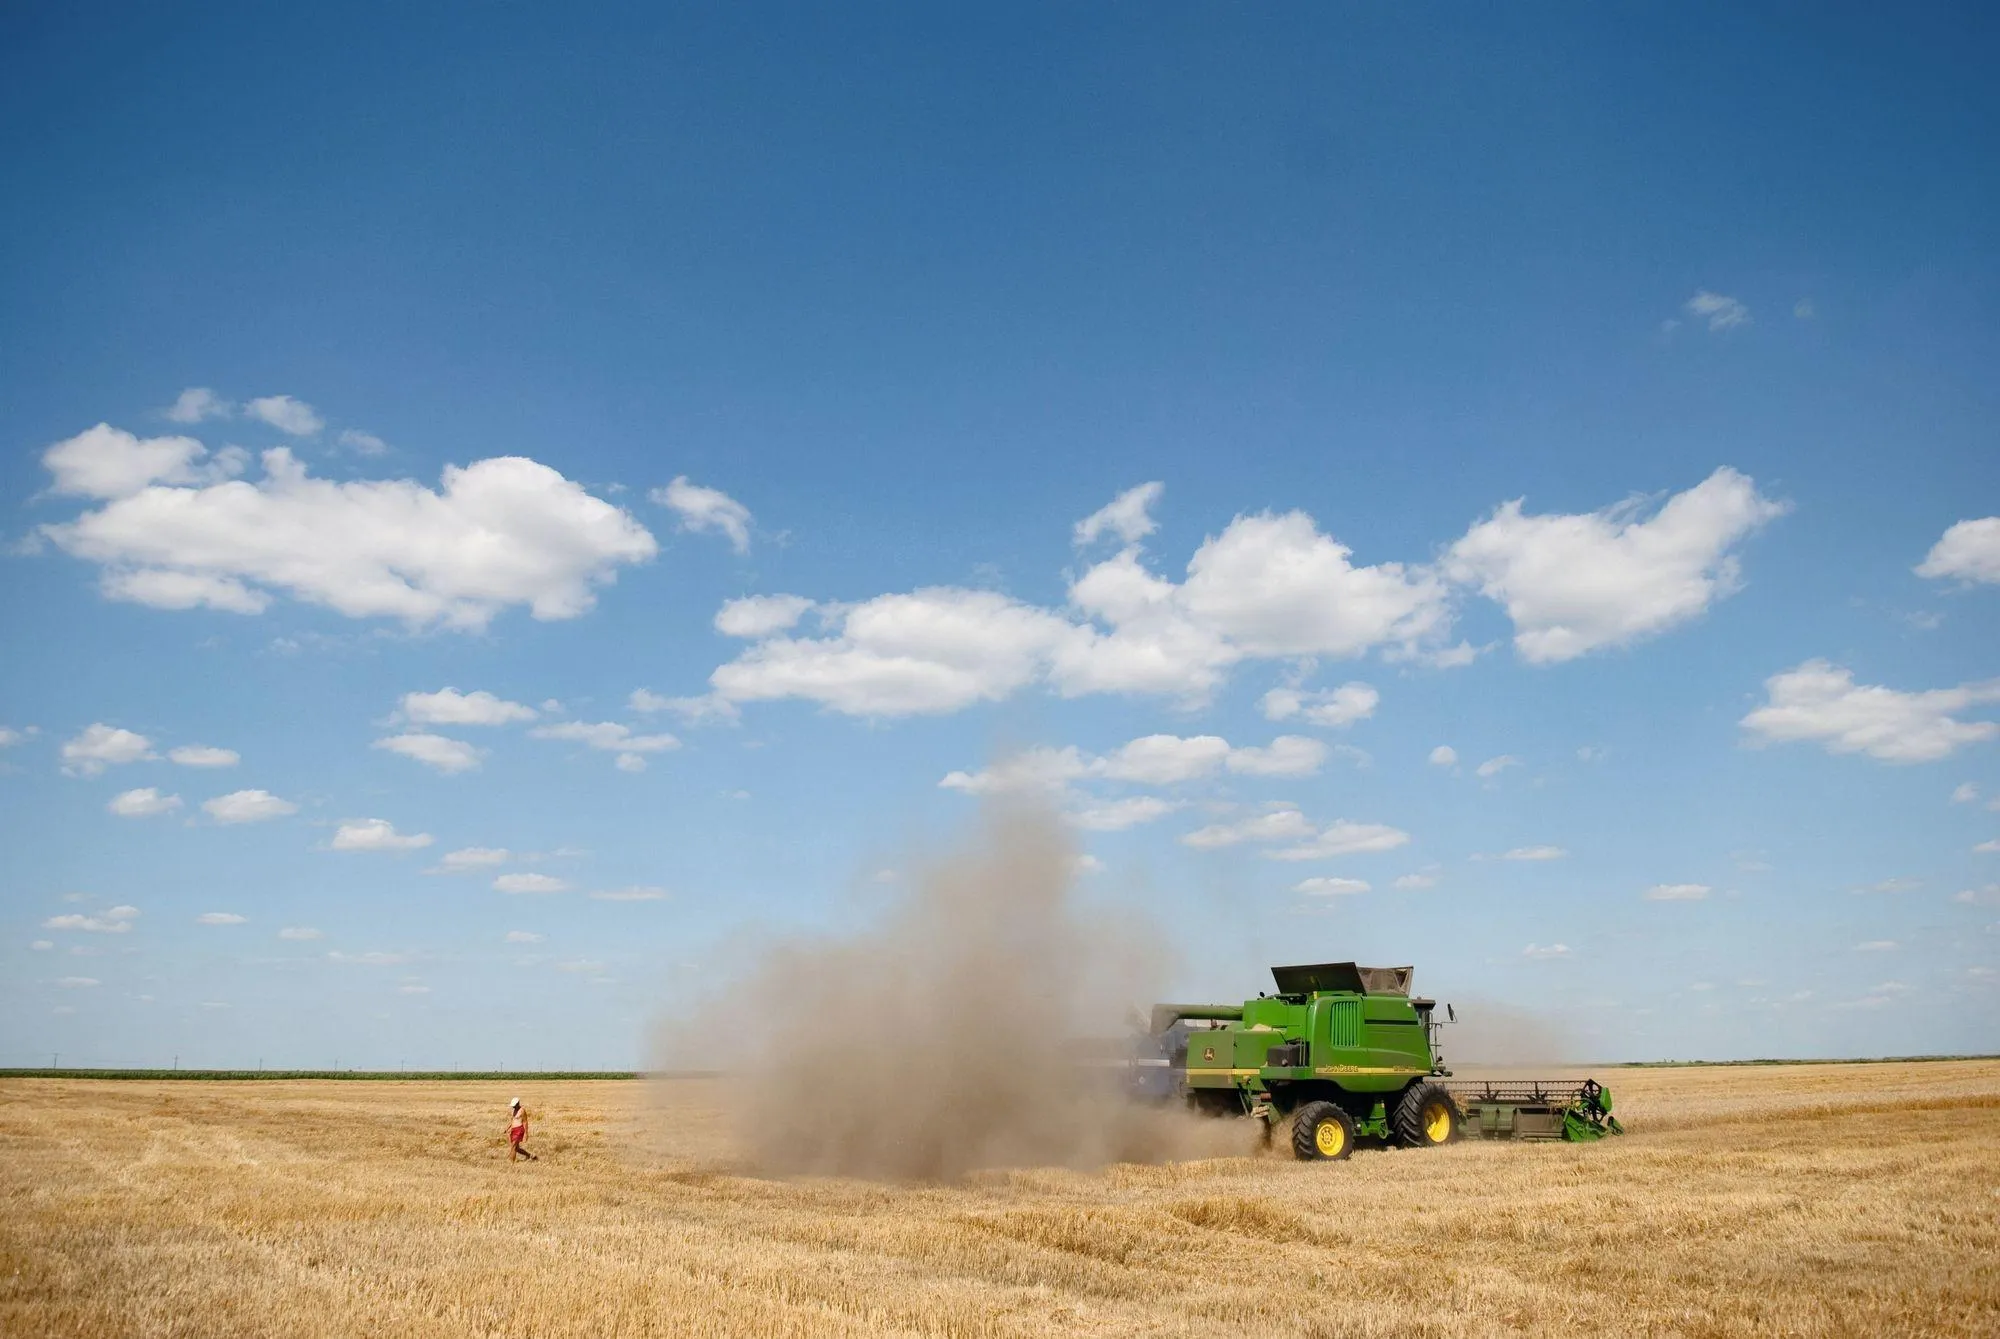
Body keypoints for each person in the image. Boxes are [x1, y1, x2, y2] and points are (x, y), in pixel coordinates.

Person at [507, 1097, 537, 1161]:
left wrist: (526, 1133)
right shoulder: (513, 1110)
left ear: (518, 1103)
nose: (513, 1107)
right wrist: (508, 1128)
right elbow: (513, 1120)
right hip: (513, 1130)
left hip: (519, 1129)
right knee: (516, 1148)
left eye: (514, 1105)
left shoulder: (522, 1110)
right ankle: (530, 1155)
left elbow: (525, 1122)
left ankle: (511, 1163)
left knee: (513, 1146)